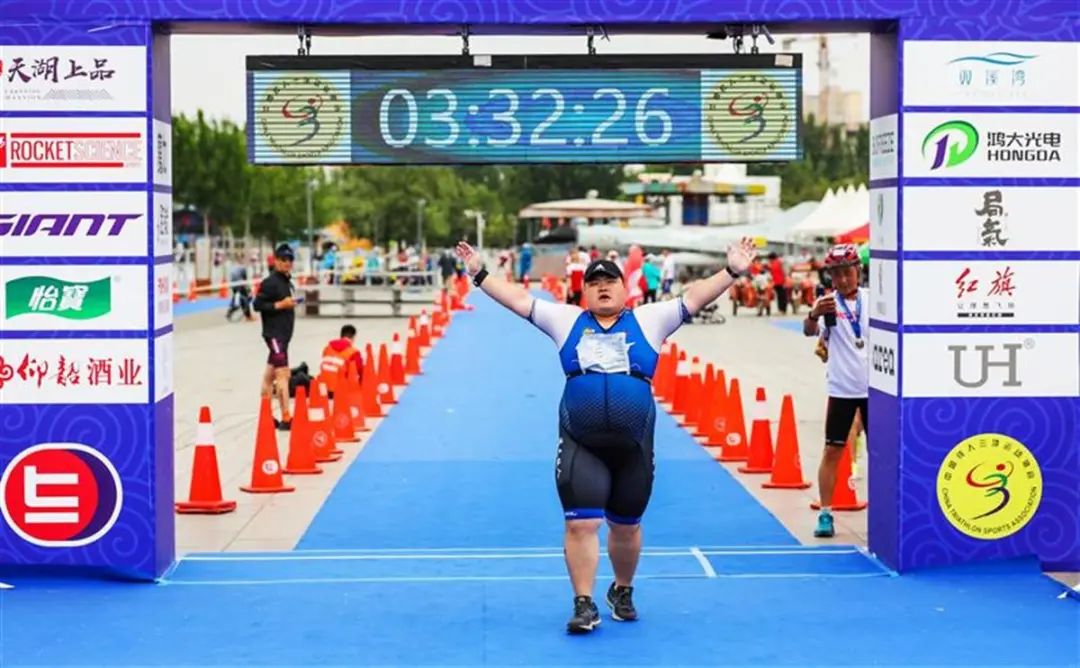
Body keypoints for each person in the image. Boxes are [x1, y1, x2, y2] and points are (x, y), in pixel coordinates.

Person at [454, 237, 756, 634]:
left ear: (624, 288)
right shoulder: (566, 320)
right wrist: (479, 273)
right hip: (582, 442)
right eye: (594, 283)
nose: (602, 287)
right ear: (584, 292)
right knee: (581, 524)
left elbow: (694, 297)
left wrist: (731, 271)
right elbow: (518, 300)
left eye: (610, 281)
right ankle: (583, 602)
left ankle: (622, 589)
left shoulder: (650, 319)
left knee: (626, 525)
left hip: (634, 445)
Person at [802, 244, 869, 538]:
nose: (842, 279)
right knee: (832, 450)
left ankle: (887, 510)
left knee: (881, 453)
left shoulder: (874, 300)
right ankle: (826, 513)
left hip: (876, 391)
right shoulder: (827, 304)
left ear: (858, 271)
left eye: (847, 272)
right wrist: (813, 313)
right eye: (836, 274)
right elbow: (808, 331)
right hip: (842, 389)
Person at [253, 243, 299, 430]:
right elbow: (257, 304)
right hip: (275, 335)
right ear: (276, 261)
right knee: (282, 374)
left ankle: (266, 415)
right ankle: (286, 417)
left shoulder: (286, 280)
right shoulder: (270, 282)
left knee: (269, 374)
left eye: (290, 260)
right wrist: (280, 305)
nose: (287, 263)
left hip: (283, 336)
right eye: (283, 259)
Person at [318, 324, 364, 399]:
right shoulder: (353, 352)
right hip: (340, 391)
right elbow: (361, 372)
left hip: (323, 389)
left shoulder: (327, 348)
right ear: (353, 337)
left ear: (341, 335)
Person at [225, 257, 253, 322]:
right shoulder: (243, 268)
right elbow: (244, 280)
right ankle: (248, 317)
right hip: (239, 284)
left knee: (237, 299)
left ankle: (230, 311)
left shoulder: (234, 267)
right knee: (245, 299)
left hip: (234, 285)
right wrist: (249, 290)